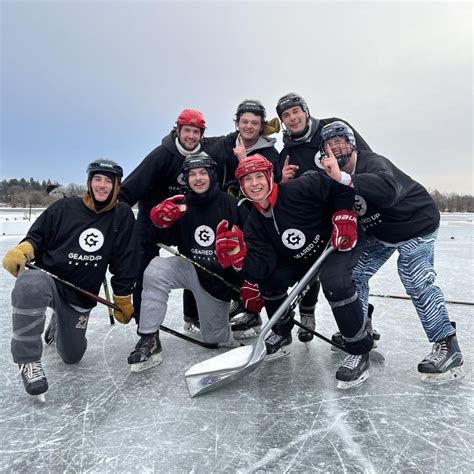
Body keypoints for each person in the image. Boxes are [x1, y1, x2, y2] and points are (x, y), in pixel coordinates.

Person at [319, 121, 465, 383]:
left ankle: (448, 345)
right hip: (382, 234)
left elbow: (386, 190)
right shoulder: (333, 177)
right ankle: (359, 335)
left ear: (352, 144)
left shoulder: (372, 162)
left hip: (416, 225)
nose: (336, 146)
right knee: (353, 275)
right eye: (330, 143)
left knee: (413, 276)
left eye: (341, 140)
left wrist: (344, 178)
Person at [215, 154, 374, 388]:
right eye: (247, 180)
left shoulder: (302, 187)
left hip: (338, 240)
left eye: (259, 176)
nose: (255, 183)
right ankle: (281, 332)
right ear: (241, 186)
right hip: (302, 258)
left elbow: (341, 189)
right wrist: (238, 259)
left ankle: (359, 350)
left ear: (270, 177)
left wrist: (343, 214)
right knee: (271, 279)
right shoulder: (255, 223)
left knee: (335, 282)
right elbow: (261, 267)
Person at [2, 160, 137, 398]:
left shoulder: (123, 215)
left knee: (72, 357)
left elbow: (125, 260)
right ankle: (28, 361)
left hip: (80, 295)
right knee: (29, 284)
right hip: (50, 280)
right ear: (89, 182)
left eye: (108, 181)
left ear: (116, 185)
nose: (102, 185)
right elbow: (37, 237)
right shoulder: (63, 208)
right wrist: (23, 250)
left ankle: (59, 321)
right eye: (97, 179)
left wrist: (123, 297)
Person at [127, 153, 254, 372]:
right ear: (186, 178)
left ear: (211, 175)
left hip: (217, 281)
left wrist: (246, 278)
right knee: (156, 269)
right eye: (192, 174)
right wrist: (159, 223)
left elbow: (253, 246)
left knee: (214, 340)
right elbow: (159, 240)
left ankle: (222, 327)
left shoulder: (233, 205)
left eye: (202, 173)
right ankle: (149, 338)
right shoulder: (180, 206)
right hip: (191, 268)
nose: (198, 179)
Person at [275, 92, 374, 344]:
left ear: (306, 111)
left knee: (347, 277)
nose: (293, 118)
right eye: (286, 115)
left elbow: (363, 159)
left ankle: (362, 326)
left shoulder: (333, 128)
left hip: (349, 215)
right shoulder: (287, 153)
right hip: (318, 225)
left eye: (296, 111)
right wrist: (283, 182)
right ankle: (352, 323)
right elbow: (285, 194)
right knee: (316, 272)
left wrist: (351, 211)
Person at [118, 110, 225, 329]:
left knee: (196, 263)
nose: (191, 136)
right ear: (178, 130)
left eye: (196, 132)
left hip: (186, 223)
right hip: (152, 224)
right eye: (187, 130)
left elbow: (229, 141)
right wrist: (113, 216)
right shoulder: (161, 155)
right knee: (144, 269)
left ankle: (192, 316)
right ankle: (143, 320)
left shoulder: (206, 154)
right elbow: (128, 190)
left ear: (202, 134)